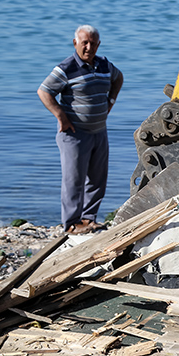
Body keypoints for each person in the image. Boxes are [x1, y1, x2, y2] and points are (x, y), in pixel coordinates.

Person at [38, 25, 124, 234]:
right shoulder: (66, 68)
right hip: (75, 134)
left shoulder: (104, 65)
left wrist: (110, 102)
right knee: (73, 181)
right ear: (75, 43)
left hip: (99, 131)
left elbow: (118, 77)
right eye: (84, 42)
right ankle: (71, 224)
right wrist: (60, 116)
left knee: (97, 178)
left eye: (93, 43)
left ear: (98, 44)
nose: (88, 47)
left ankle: (88, 219)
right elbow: (44, 91)